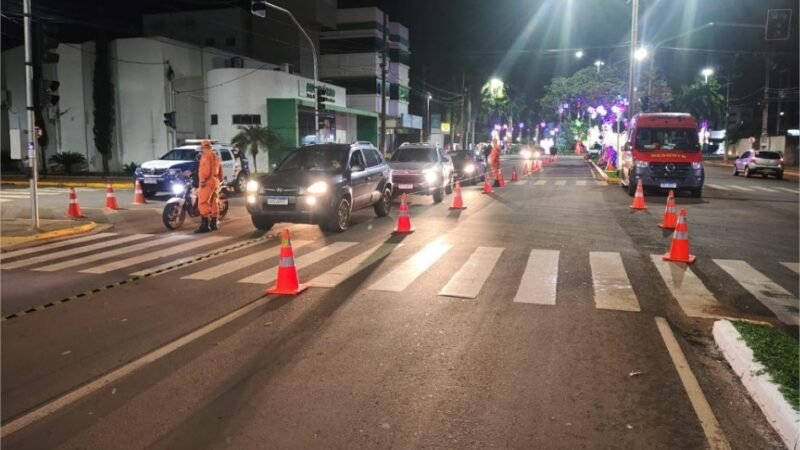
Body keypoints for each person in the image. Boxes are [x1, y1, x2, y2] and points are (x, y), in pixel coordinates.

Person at [195, 139, 223, 233]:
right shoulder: (216, 156)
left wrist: (202, 180)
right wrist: (219, 179)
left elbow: (205, 170)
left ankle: (205, 225)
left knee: (203, 202)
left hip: (207, 182)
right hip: (215, 181)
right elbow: (221, 171)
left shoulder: (206, 155)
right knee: (214, 201)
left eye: (202, 148)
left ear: (204, 147)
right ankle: (214, 223)